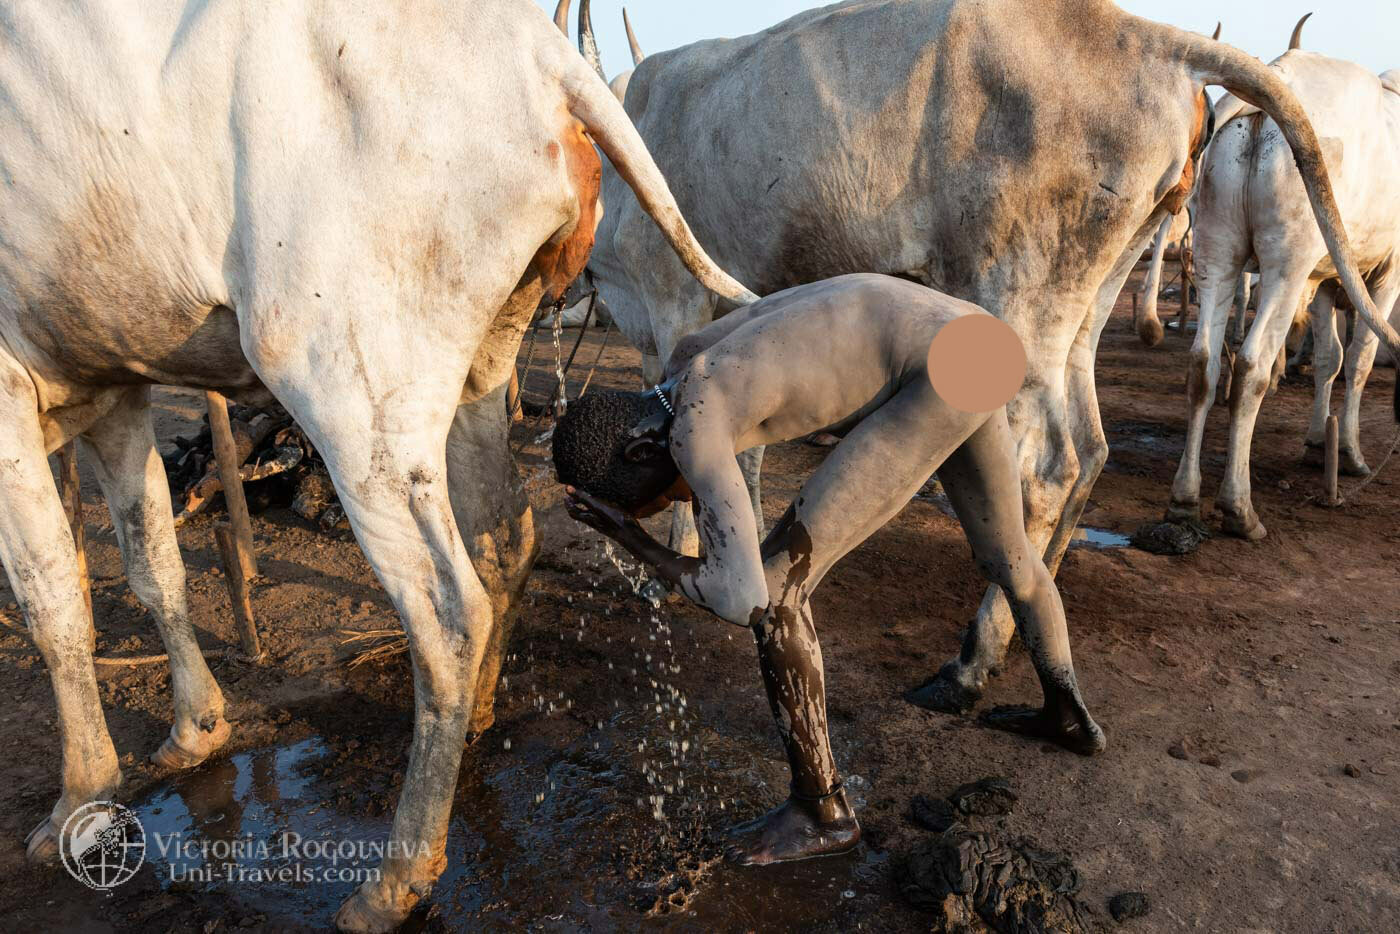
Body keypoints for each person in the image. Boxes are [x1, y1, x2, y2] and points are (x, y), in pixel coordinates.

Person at [552, 273, 1104, 866]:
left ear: (641, 452)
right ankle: (1068, 714)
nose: (679, 503)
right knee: (1007, 556)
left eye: (659, 499)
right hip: (975, 337)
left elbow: (745, 600)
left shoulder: (693, 422)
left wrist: (638, 542)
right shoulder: (688, 357)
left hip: (940, 365)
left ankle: (821, 812)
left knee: (782, 595)